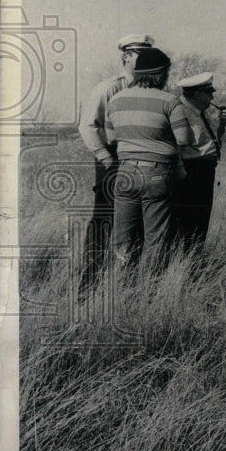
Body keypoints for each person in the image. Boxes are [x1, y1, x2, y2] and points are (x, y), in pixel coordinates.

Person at [77, 34, 155, 296]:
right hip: (113, 160)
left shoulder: (154, 89)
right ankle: (88, 287)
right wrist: (108, 161)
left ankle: (127, 286)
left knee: (136, 225)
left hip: (142, 160)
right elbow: (88, 126)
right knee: (104, 221)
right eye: (137, 55)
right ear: (126, 57)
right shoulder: (108, 87)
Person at [105, 47, 193, 271]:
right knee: (156, 239)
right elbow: (184, 138)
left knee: (122, 238)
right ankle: (149, 290)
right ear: (161, 74)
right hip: (156, 172)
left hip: (124, 172)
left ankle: (121, 284)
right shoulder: (169, 101)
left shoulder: (115, 100)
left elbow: (111, 138)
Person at [172, 72, 226, 246]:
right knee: (188, 222)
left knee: (201, 220)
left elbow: (210, 142)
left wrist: (221, 127)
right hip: (190, 172)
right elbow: (177, 145)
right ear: (197, 94)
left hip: (205, 170)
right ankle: (184, 263)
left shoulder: (203, 114)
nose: (212, 96)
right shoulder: (180, 112)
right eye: (209, 92)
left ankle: (194, 262)